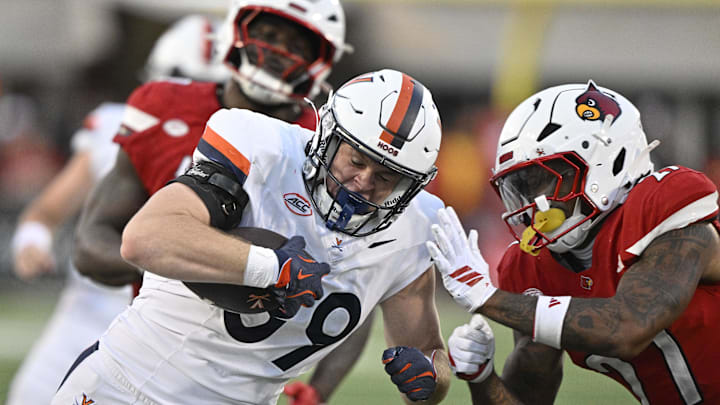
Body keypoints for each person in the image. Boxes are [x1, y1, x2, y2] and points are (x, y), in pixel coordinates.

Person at [53, 68, 450, 404]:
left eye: (386, 177)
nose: (363, 183)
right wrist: (268, 267)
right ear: (328, 135)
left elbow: (428, 355)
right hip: (129, 387)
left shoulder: (414, 228)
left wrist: (432, 380)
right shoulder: (263, 148)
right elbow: (144, 237)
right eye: (356, 160)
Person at [71, 1, 373, 403]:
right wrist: (187, 259)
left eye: (296, 43)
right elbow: (91, 244)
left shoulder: (325, 147)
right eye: (268, 35)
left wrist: (318, 390)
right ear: (237, 31)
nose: (278, 52)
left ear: (321, 61)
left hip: (246, 375)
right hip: (148, 349)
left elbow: (359, 284)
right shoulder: (165, 107)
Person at [429, 81, 720, 404]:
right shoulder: (533, 266)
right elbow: (526, 397)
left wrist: (487, 297)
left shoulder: (664, 202)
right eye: (521, 188)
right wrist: (481, 377)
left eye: (547, 180)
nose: (533, 204)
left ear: (607, 161)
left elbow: (629, 326)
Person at [5, 14, 232, 405]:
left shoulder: (254, 149)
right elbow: (47, 210)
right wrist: (32, 240)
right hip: (91, 313)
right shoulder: (122, 126)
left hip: (176, 334)